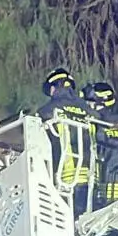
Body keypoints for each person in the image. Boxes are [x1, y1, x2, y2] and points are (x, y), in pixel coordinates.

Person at [38, 69, 93, 213]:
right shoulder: (88, 110)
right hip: (90, 175)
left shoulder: (47, 110)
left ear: (53, 88)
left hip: (64, 175)